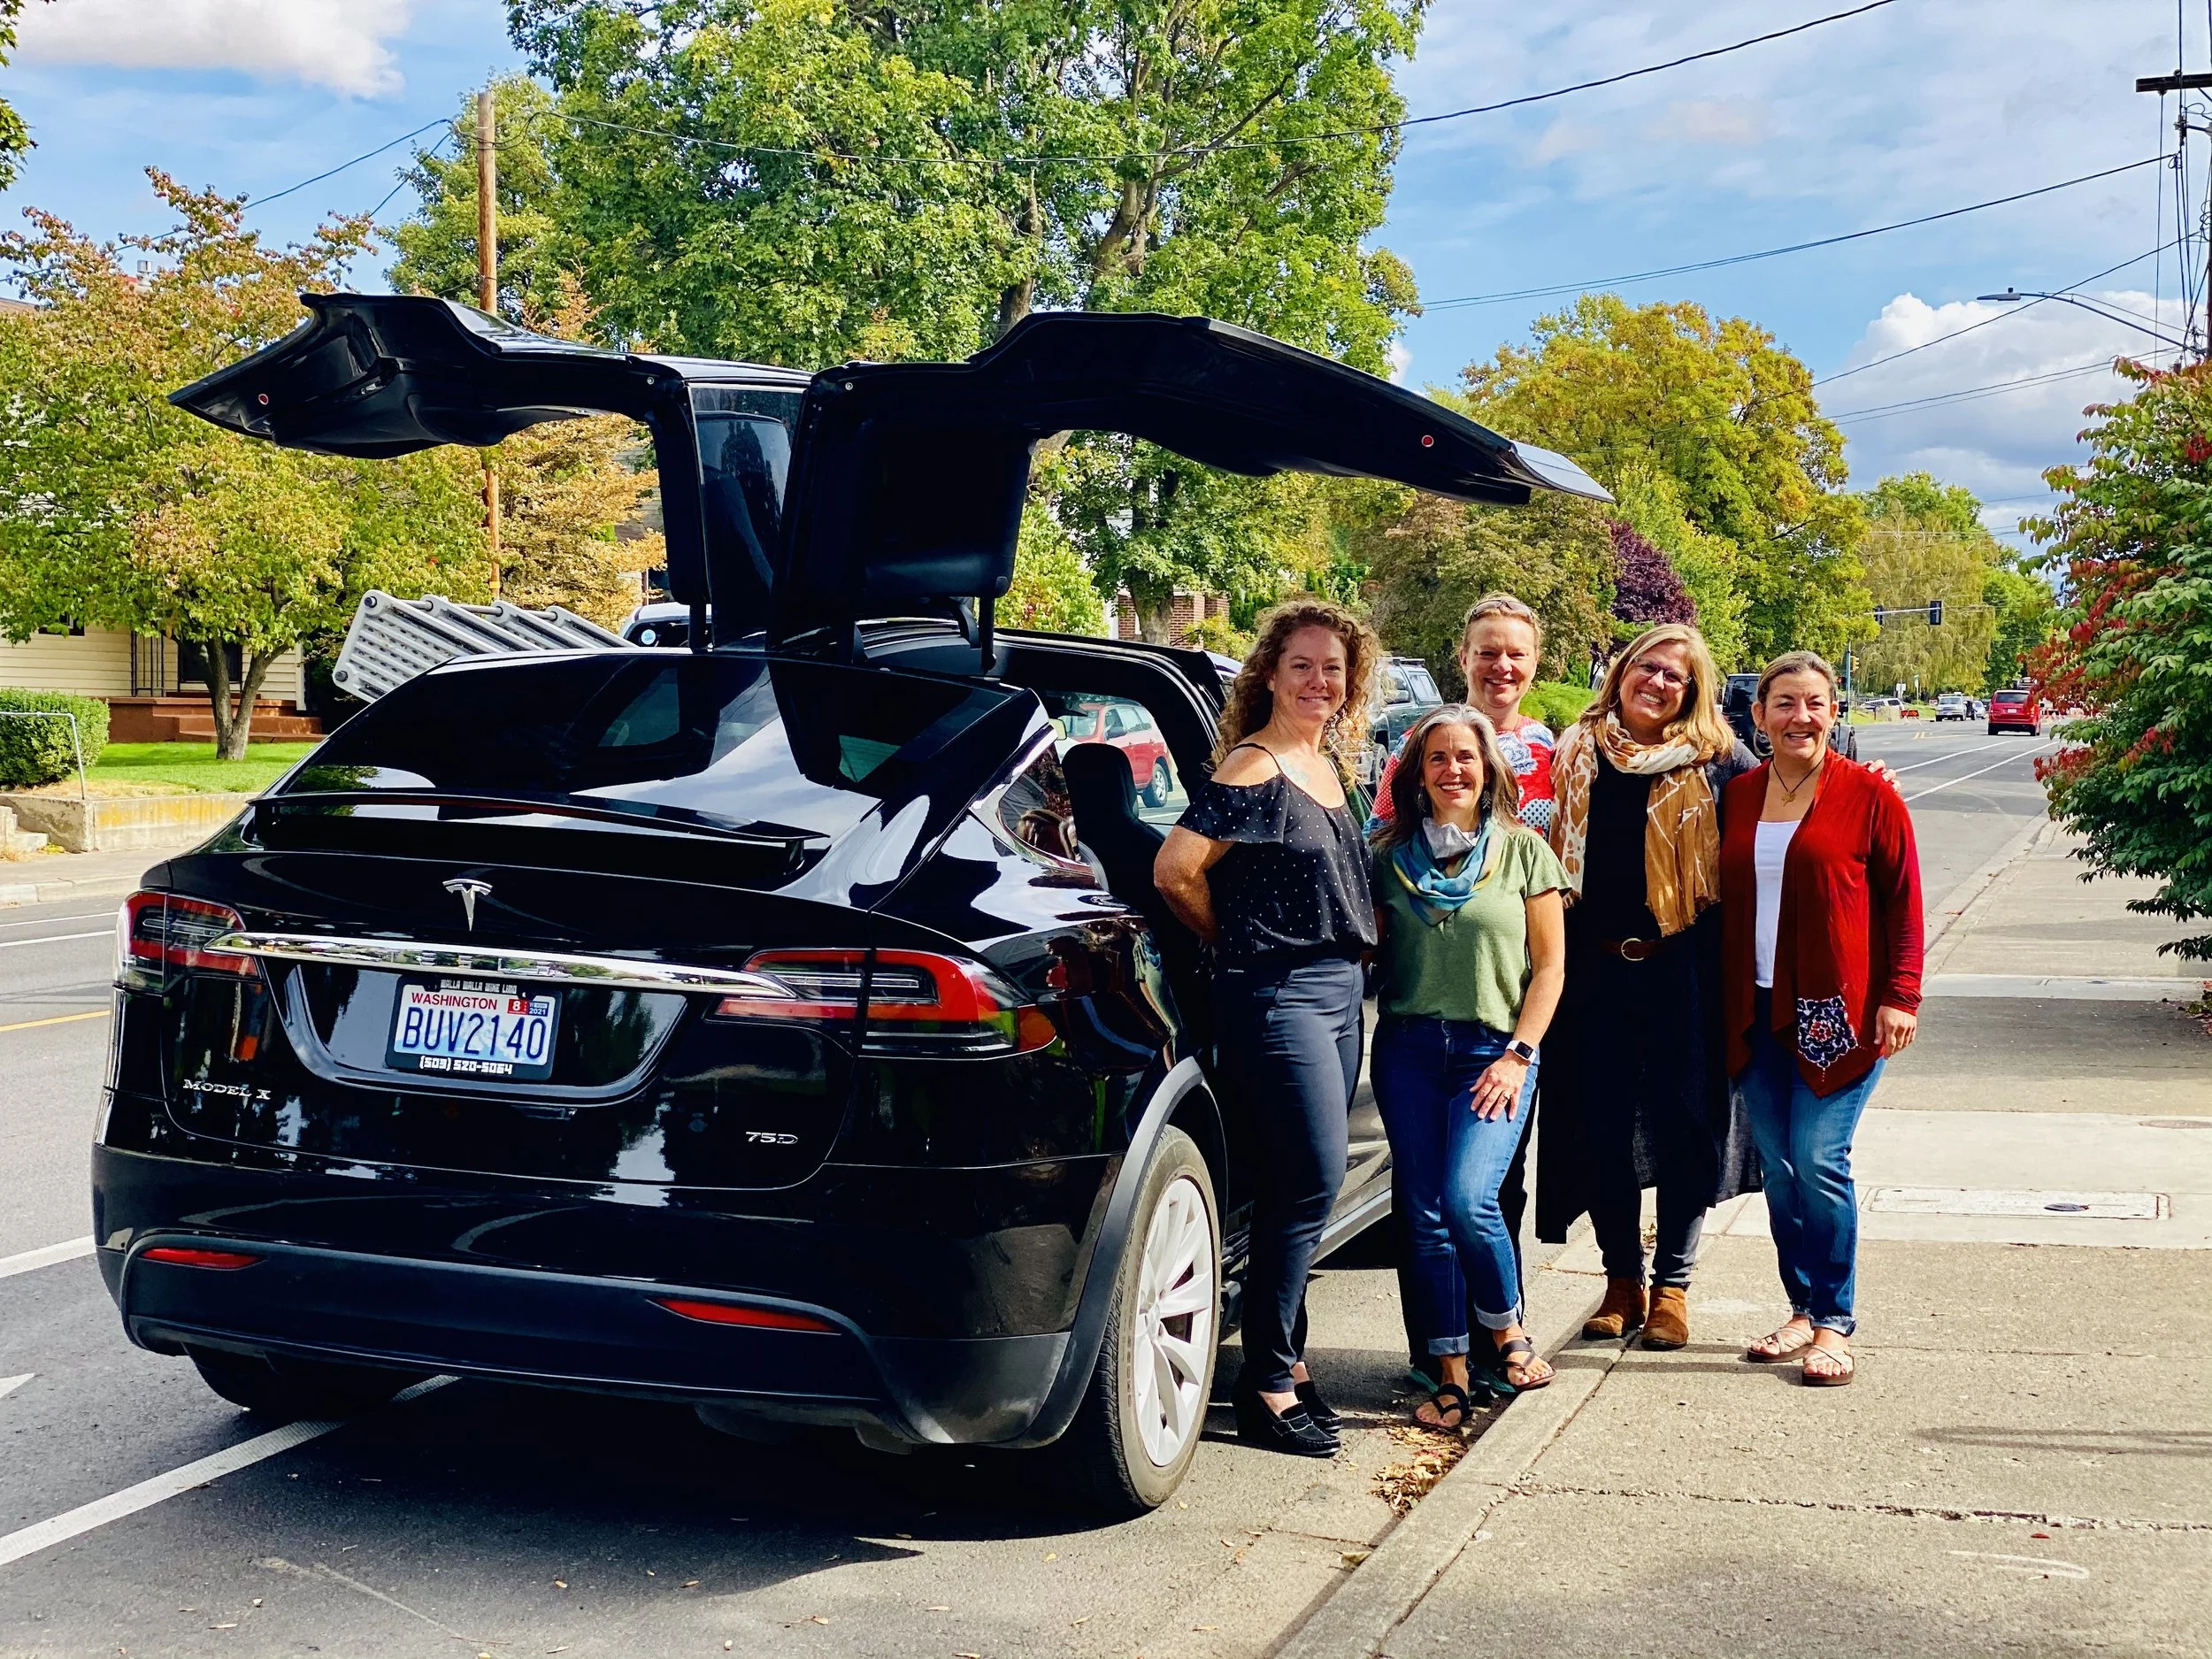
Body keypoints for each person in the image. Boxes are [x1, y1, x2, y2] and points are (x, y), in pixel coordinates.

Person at [1155, 599, 1381, 1457]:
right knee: (1307, 1185)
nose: (1320, 681)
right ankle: (1266, 1384)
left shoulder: (1323, 767)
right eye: (1303, 666)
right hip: (1278, 997)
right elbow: (1175, 868)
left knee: (1303, 1192)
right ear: (1270, 676)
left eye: (1334, 668)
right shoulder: (1255, 768)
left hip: (1333, 995)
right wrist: (1235, 939)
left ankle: (1287, 1362)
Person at [1539, 622, 1762, 1352]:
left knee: (1686, 1124)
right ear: (1622, 670)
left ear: (1693, 691)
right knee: (1599, 1124)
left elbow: (1790, 805)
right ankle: (1620, 1281)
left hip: (1684, 967)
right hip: (1592, 967)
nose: (1660, 682)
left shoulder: (1722, 761)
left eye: (1678, 675)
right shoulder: (1575, 752)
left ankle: (1673, 1286)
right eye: (1649, 667)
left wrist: (1864, 784)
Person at [1366, 594, 1555, 1384]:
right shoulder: (1393, 847)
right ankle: (1441, 1361)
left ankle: (1502, 1334)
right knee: (1426, 1208)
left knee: (1477, 1195)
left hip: (1498, 1038)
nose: (1500, 664)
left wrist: (1520, 1049)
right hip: (1411, 1043)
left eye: (1515, 651)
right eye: (1487, 650)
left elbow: (1553, 959)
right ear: (1463, 653)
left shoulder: (1555, 759)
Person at [1722, 651, 1923, 1386]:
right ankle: (1802, 1307)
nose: (1799, 717)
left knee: (1818, 1159)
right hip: (1757, 1007)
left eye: (1814, 703)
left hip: (1840, 1010)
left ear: (1834, 713)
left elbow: (1904, 903)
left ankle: (1835, 1320)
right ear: (1760, 714)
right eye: (1784, 703)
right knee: (1777, 1170)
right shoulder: (1739, 795)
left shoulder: (1870, 795)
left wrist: (1902, 994)